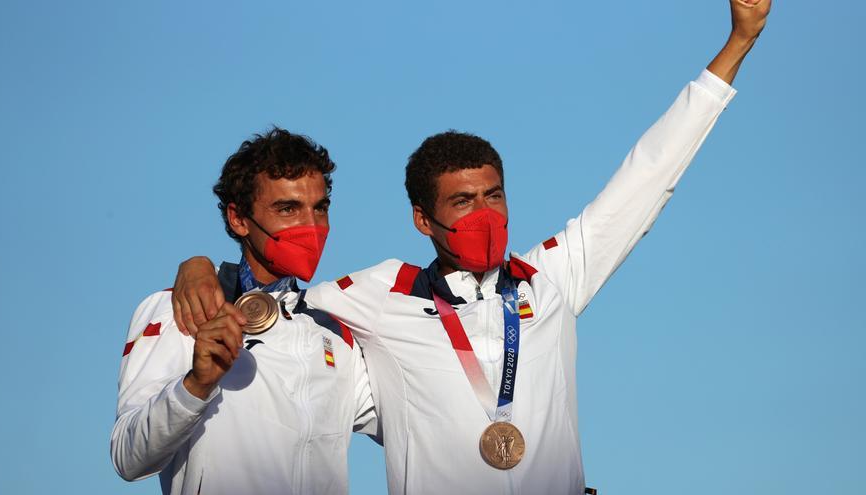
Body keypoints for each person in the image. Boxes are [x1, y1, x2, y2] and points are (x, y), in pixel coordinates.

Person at [172, 2, 772, 493]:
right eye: (463, 202)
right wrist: (198, 266)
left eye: (493, 196)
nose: (484, 215)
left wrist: (736, 45)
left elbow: (647, 178)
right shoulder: (376, 294)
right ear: (422, 219)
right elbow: (274, 302)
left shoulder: (552, 276)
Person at [111, 127, 377, 495]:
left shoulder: (337, 333)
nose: (310, 226)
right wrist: (196, 386)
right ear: (239, 219)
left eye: (319, 208)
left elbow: (420, 417)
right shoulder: (180, 309)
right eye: (287, 209)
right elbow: (128, 456)